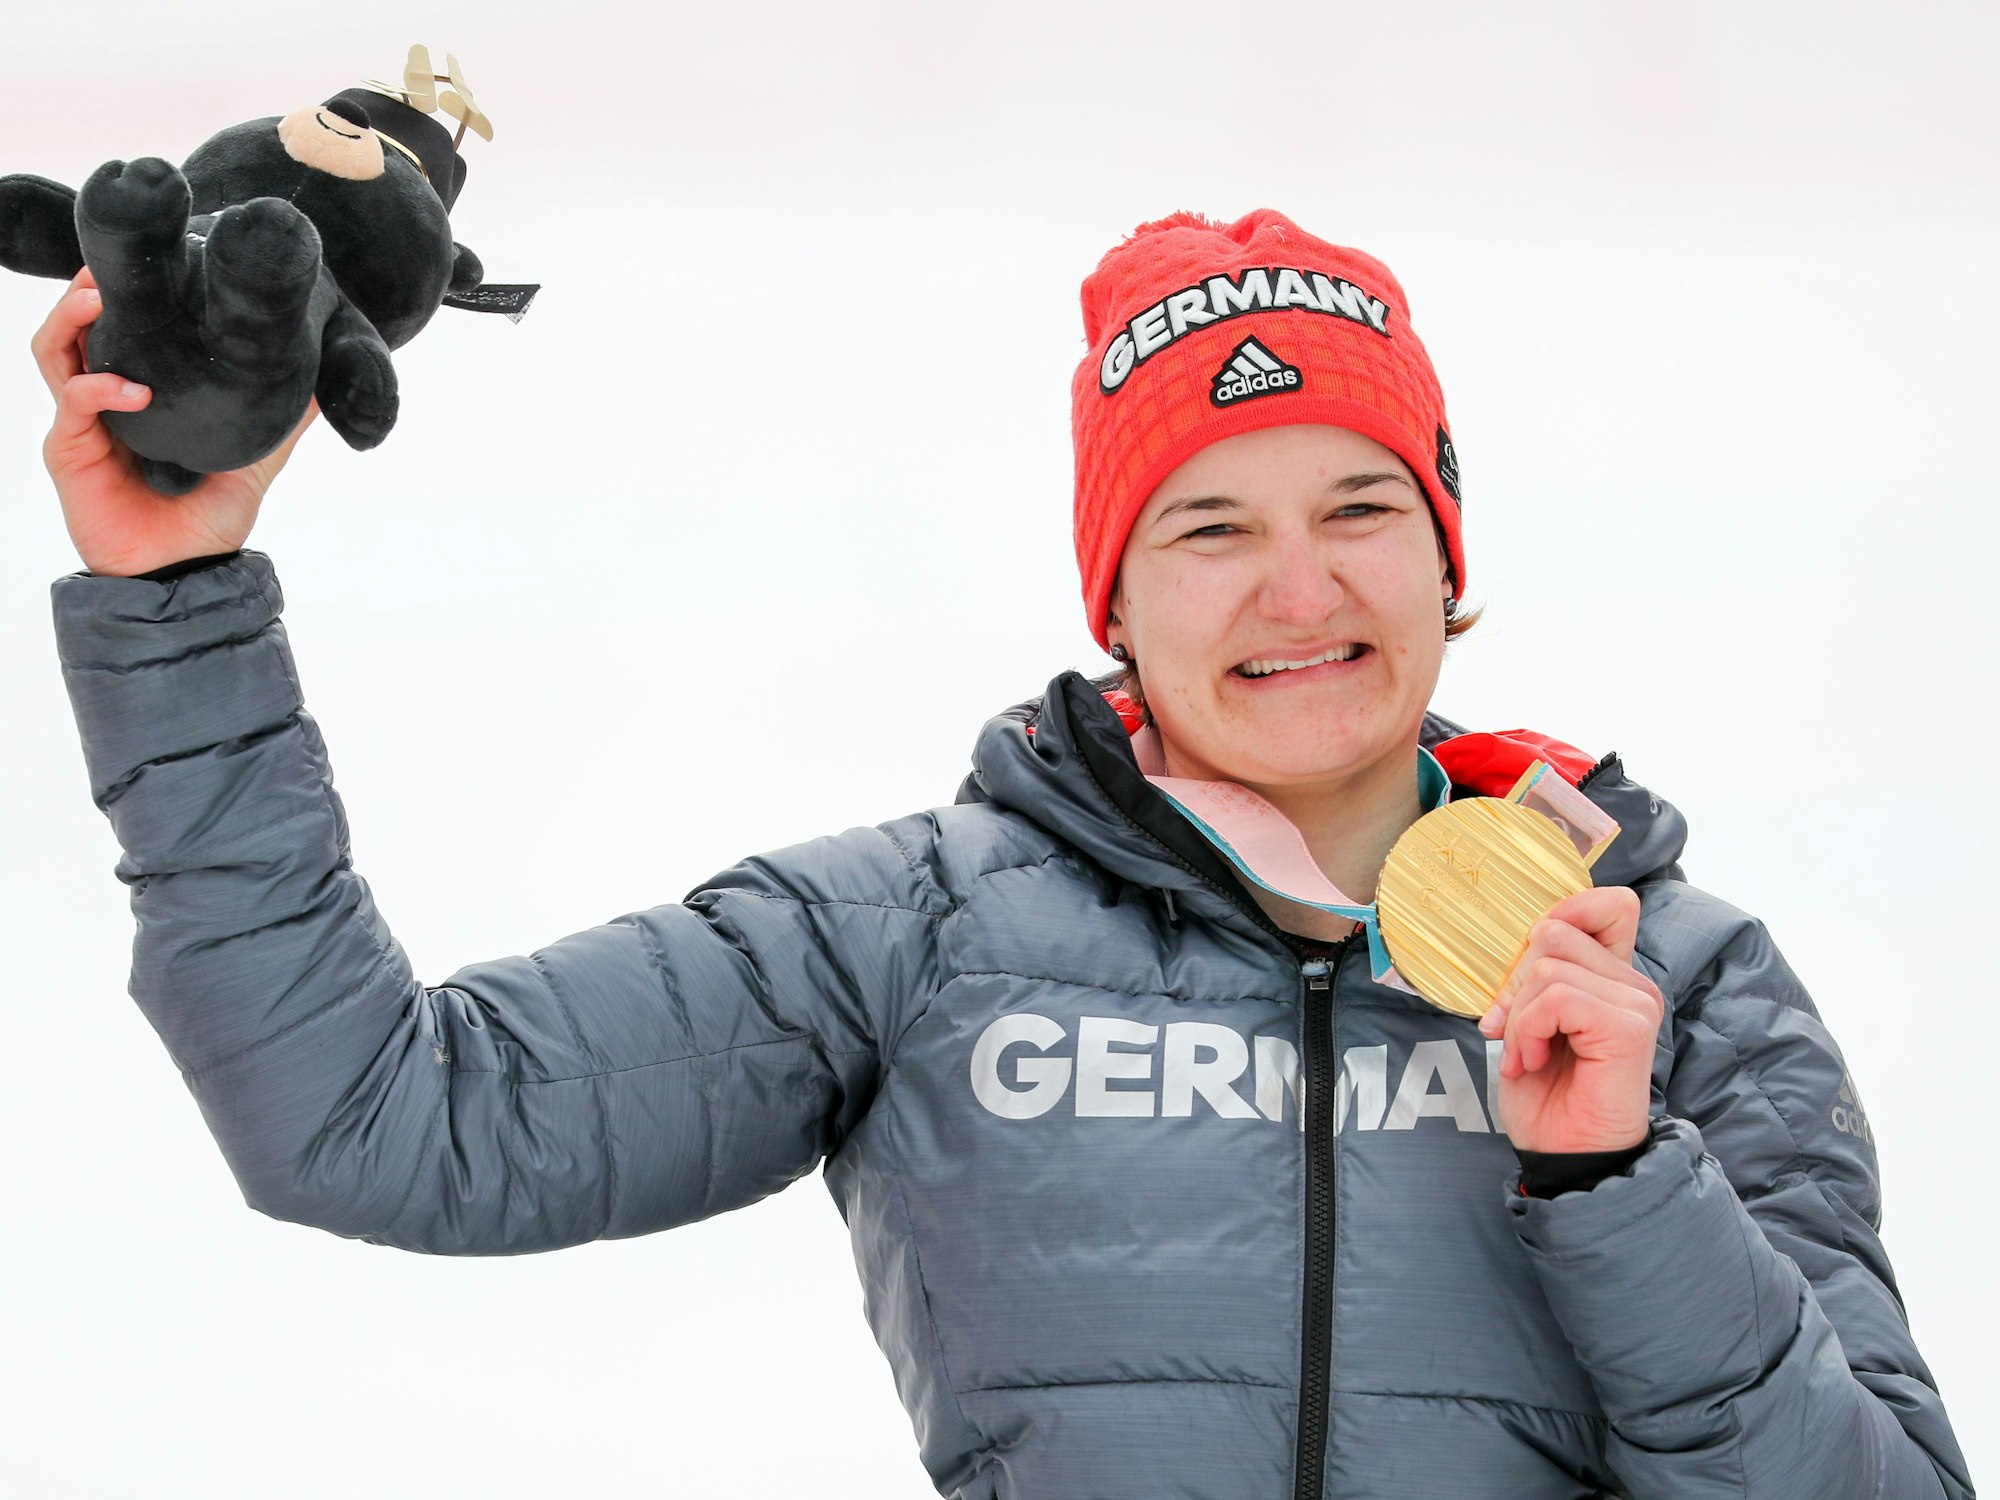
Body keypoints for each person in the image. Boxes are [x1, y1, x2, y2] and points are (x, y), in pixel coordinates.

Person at [37, 208, 1972, 1499]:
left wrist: (1622, 1178)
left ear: (1449, 561)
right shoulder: (920, 933)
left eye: (1361, 506)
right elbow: (378, 1117)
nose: (1300, 587)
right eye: (1208, 527)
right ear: (1114, 596)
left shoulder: (1674, 980)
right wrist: (178, 598)